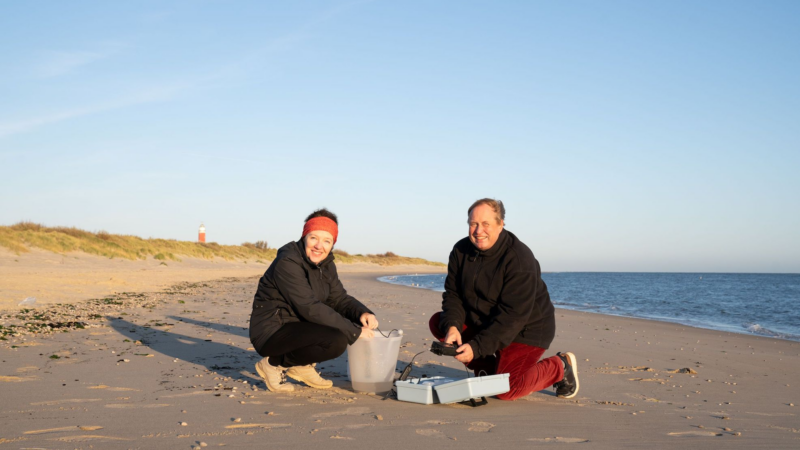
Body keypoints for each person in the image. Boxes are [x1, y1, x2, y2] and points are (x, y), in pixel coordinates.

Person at [429, 198, 579, 400]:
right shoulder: (460, 250)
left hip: (526, 330)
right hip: (486, 323)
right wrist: (454, 326)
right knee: (440, 323)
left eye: (486, 224)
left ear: (501, 224)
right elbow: (453, 294)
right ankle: (486, 370)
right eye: (473, 224)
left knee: (506, 390)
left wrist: (477, 347)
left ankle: (560, 366)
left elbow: (512, 317)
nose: (478, 231)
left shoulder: (519, 258)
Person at [249, 208, 379, 393]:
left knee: (342, 328)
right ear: (304, 237)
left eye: (327, 241)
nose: (319, 246)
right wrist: (354, 331)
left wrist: (363, 313)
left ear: (333, 244)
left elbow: (339, 299)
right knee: (337, 339)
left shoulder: (326, 265)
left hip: (298, 326)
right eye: (314, 238)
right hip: (271, 331)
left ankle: (301, 365)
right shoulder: (288, 262)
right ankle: (272, 364)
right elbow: (308, 307)